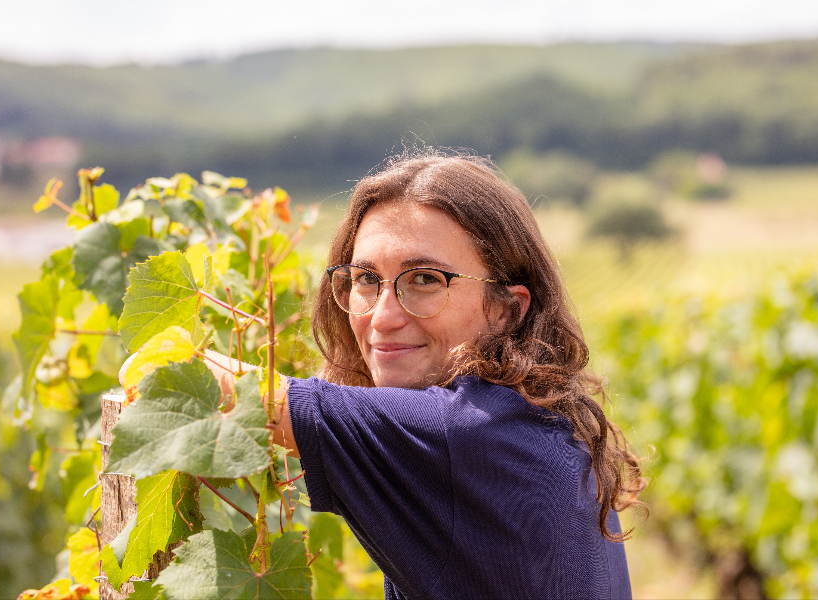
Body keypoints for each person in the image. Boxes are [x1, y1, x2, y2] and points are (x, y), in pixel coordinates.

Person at [226, 154, 646, 599]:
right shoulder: (537, 418)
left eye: (425, 278)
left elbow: (228, 395)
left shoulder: (462, 434)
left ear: (506, 308)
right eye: (366, 278)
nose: (382, 317)